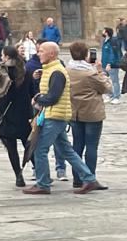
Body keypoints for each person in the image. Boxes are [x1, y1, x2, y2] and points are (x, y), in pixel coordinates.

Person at [27, 41, 103, 194]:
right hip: (56, 114)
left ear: (52, 54)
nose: (38, 53)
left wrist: (37, 99)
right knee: (67, 151)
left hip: (55, 115)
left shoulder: (57, 72)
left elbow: (53, 97)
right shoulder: (51, 70)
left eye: (41, 51)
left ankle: (43, 184)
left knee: (40, 149)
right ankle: (89, 179)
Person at [0, 44, 35, 186]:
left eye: (3, 55)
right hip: (24, 114)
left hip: (7, 114)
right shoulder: (25, 71)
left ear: (7, 56)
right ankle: (39, 171)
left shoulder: (1, 72)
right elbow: (32, 92)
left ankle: (18, 175)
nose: (1, 58)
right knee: (28, 144)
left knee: (12, 148)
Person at [67, 41, 111, 179]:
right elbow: (106, 88)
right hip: (92, 113)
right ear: (86, 54)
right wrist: (100, 71)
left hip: (75, 113)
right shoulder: (90, 73)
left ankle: (77, 178)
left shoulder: (67, 71)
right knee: (91, 146)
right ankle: (89, 177)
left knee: (77, 146)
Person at [99, 27, 124, 102]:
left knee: (114, 81)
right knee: (105, 80)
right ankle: (110, 95)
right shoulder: (104, 41)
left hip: (112, 65)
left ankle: (116, 96)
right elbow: (104, 53)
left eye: (103, 31)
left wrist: (110, 63)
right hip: (104, 64)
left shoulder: (112, 41)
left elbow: (112, 53)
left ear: (106, 32)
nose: (102, 32)